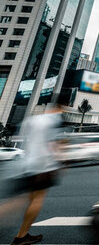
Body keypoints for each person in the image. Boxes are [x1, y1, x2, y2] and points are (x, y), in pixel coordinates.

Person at [7, 100, 65, 245]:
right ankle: (21, 236)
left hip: (26, 164)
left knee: (19, 201)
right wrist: (61, 162)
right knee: (36, 199)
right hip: (42, 166)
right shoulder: (54, 120)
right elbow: (54, 144)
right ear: (60, 107)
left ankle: (22, 235)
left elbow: (21, 138)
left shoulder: (32, 119)